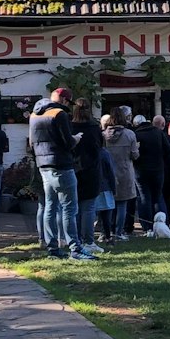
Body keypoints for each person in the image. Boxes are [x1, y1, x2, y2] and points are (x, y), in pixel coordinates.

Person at [29, 88, 82, 260]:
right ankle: (75, 248)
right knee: (69, 208)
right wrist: (77, 139)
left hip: (43, 165)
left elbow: (31, 142)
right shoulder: (59, 114)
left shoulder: (34, 115)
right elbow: (67, 142)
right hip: (61, 164)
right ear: (65, 100)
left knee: (50, 206)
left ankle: (52, 248)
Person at [71, 99, 107, 252]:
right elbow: (99, 149)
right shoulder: (94, 128)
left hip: (73, 169)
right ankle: (89, 241)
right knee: (89, 207)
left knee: (75, 207)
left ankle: (75, 239)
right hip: (91, 170)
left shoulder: (70, 126)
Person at [104, 108, 141, 238]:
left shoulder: (104, 135)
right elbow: (134, 155)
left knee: (108, 205)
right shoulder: (130, 134)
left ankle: (107, 231)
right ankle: (119, 232)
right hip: (125, 171)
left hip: (108, 173)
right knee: (122, 204)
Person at [133, 115, 170, 236]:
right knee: (158, 196)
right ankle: (163, 224)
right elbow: (168, 150)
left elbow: (134, 153)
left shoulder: (136, 134)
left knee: (144, 197)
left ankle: (147, 227)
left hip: (140, 171)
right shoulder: (158, 132)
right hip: (157, 170)